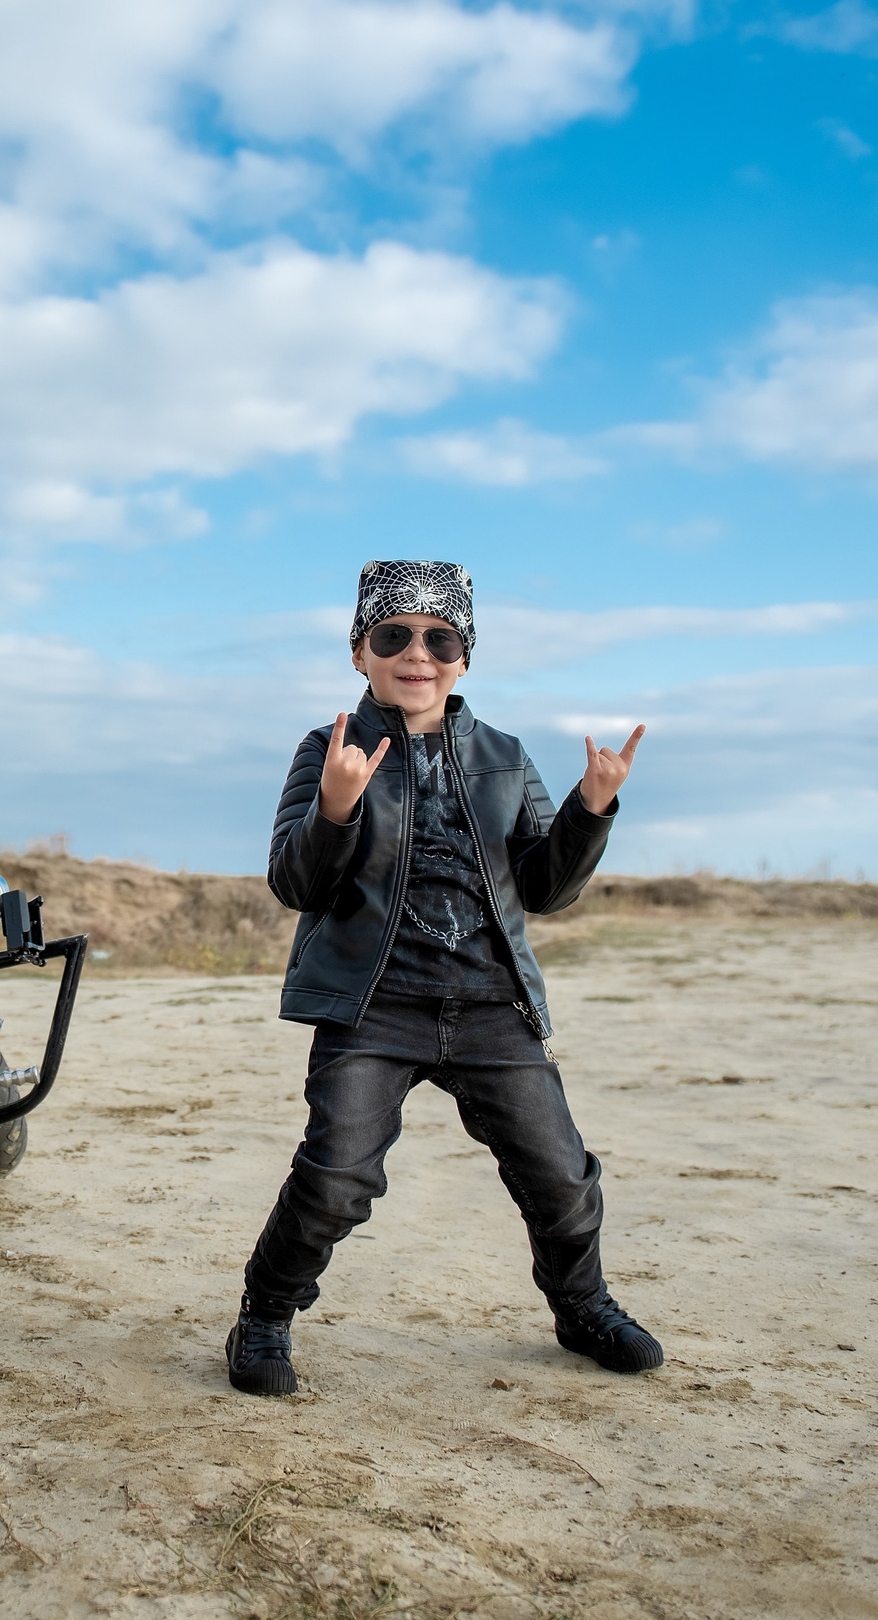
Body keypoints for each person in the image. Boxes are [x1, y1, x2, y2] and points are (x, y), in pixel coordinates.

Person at [226, 558, 657, 1395]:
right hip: (373, 1005)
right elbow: (295, 884)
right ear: (361, 653)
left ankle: (582, 1308)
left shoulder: (504, 754)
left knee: (560, 1175)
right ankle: (266, 1315)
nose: (417, 652)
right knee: (337, 1175)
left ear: (463, 656)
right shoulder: (329, 748)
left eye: (440, 637)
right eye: (394, 636)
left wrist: (590, 809)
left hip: (493, 1004)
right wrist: (337, 807)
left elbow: (544, 888)